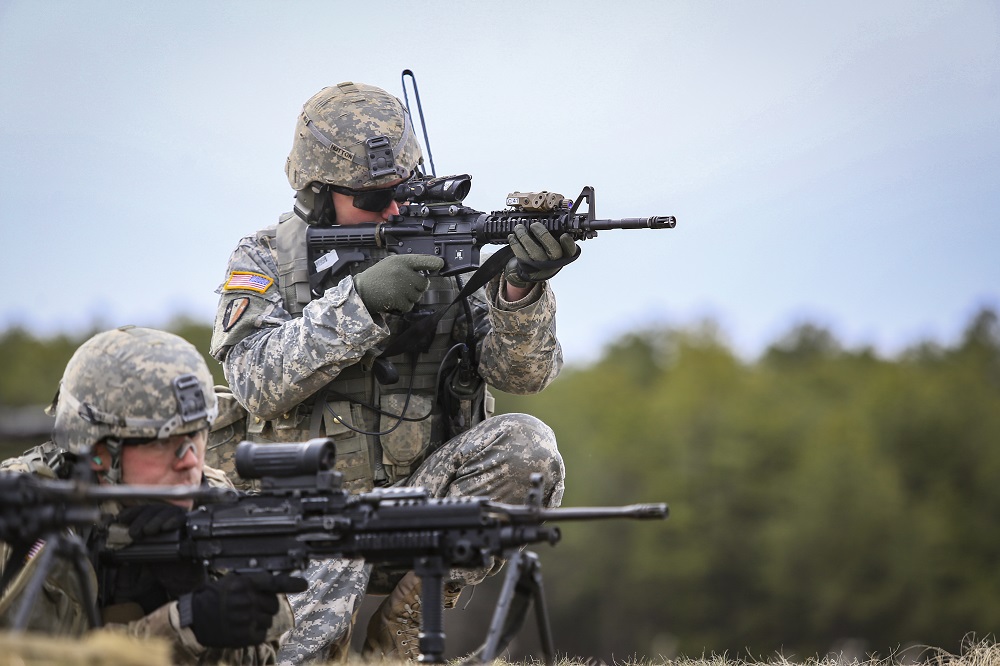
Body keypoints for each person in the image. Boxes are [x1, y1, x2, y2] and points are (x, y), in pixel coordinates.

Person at [208, 80, 574, 663]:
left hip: (414, 505)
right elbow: (254, 380)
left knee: (528, 448)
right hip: (302, 519)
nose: (396, 210)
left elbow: (523, 375)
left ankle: (401, 629)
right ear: (319, 193)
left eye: (402, 191)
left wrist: (519, 288)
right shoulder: (267, 258)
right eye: (375, 201)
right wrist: (360, 305)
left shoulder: (446, 249)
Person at [0, 326, 304, 665]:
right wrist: (184, 623)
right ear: (99, 452)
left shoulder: (210, 497)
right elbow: (32, 657)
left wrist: (194, 585)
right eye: (162, 441)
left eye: (198, 434)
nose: (190, 460)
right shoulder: (21, 514)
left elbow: (259, 658)